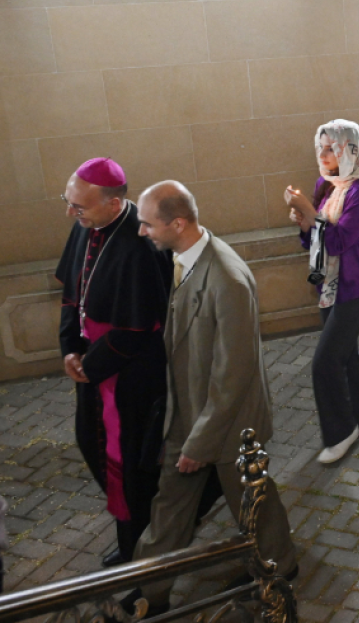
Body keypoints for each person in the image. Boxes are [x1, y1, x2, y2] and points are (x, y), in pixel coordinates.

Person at [131, 181, 298, 615]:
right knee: (169, 506)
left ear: (178, 223)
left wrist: (200, 443)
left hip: (227, 423)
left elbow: (233, 374)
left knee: (254, 504)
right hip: (187, 412)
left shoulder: (225, 277)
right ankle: (148, 590)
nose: (141, 232)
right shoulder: (183, 259)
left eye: (148, 224)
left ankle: (279, 568)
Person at [56, 158, 172, 568]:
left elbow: (140, 328)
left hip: (130, 377)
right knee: (92, 444)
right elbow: (73, 293)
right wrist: (70, 346)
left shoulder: (141, 242)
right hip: (91, 364)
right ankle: (135, 534)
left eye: (79, 207)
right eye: (69, 203)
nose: (71, 213)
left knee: (131, 465)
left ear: (114, 203)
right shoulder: (84, 226)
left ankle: (138, 550)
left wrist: (91, 365)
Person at [284, 120, 359, 464]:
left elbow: (340, 240)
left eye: (331, 148)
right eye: (320, 147)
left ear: (349, 150)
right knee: (346, 354)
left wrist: (311, 215)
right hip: (329, 285)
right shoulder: (325, 186)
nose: (323, 155)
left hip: (355, 286)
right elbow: (313, 239)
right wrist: (304, 221)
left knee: (325, 362)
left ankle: (341, 432)